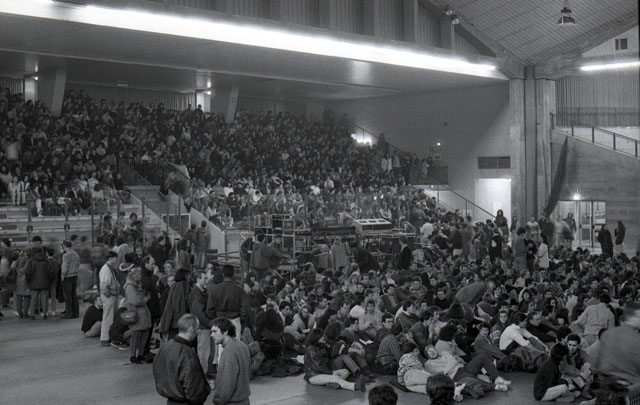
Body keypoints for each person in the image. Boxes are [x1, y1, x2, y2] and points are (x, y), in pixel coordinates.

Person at [153, 313, 211, 405]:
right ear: (191, 329)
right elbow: (193, 386)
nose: (197, 332)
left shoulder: (165, 346)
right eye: (197, 329)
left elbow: (158, 370)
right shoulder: (188, 354)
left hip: (170, 399)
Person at [594, 302, 640, 385]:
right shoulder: (636, 339)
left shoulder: (608, 334)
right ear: (632, 318)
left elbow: (598, 360)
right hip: (629, 385)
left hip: (606, 383)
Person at [210, 317, 251, 405]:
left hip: (232, 401)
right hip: (244, 399)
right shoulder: (242, 345)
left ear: (225, 331)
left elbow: (227, 383)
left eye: (215, 331)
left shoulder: (229, 351)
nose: (212, 335)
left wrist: (218, 400)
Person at [124, 267, 153, 364]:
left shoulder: (136, 285)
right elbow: (135, 301)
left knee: (144, 333)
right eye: (139, 274)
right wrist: (145, 299)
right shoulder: (130, 287)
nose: (141, 276)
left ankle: (140, 354)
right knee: (136, 334)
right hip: (137, 314)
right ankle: (133, 355)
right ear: (134, 275)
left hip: (141, 314)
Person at [25, 246, 53, 320]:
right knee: (44, 299)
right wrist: (50, 281)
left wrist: (28, 281)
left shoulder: (31, 261)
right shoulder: (46, 261)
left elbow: (28, 273)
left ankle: (32, 315)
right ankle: (44, 314)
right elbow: (50, 272)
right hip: (45, 283)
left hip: (33, 283)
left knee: (33, 299)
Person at [99, 251, 120, 346]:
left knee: (111, 316)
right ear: (111, 258)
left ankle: (110, 336)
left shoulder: (110, 268)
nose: (116, 260)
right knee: (108, 317)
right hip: (109, 295)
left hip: (112, 295)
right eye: (115, 258)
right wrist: (108, 294)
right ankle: (104, 338)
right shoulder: (105, 269)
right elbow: (103, 285)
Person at [60, 240, 80, 319]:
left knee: (68, 296)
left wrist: (62, 276)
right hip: (75, 275)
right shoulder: (76, 254)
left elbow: (64, 267)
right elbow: (78, 264)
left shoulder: (65, 256)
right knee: (74, 295)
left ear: (64, 246)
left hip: (67, 277)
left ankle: (69, 313)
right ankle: (76, 313)